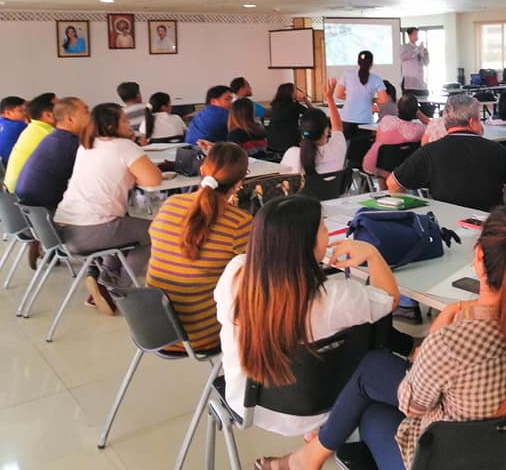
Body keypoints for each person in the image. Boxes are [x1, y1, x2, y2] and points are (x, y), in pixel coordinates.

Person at [260, 205, 506, 470]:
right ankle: (308, 456)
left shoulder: (452, 342)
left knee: (370, 409)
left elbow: (413, 406)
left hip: (443, 458)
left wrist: (435, 336)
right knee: (374, 370)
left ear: (479, 256)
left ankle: (307, 458)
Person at [214, 195, 399, 437]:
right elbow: (389, 299)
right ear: (305, 244)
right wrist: (372, 254)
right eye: (323, 227)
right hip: (323, 408)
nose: (328, 232)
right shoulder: (334, 297)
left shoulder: (236, 271)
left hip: (249, 402)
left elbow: (223, 318)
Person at [54, 104, 163, 314]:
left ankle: (105, 277)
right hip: (94, 230)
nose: (128, 123)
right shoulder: (123, 146)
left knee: (125, 225)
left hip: (65, 229)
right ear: (112, 125)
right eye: (124, 120)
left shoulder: (87, 145)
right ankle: (112, 288)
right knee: (157, 233)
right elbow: (154, 179)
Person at [148, 143, 252, 351]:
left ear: (203, 169)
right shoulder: (239, 223)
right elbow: (261, 272)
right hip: (200, 333)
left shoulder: (171, 203)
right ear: (239, 183)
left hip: (153, 327)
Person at [387, 95, 506, 211]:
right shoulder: (497, 150)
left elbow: (393, 183)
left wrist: (410, 213)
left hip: (446, 226)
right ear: (472, 122)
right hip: (488, 226)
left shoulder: (429, 152)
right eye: (479, 120)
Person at [15, 97, 90, 211]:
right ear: (70, 119)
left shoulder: (54, 137)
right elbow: (92, 176)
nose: (91, 117)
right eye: (86, 112)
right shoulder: (70, 143)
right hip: (49, 208)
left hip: (33, 210)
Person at [281, 79, 347, 177]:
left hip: (304, 192)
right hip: (334, 192)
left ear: (301, 130)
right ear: (327, 131)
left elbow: (283, 181)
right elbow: (337, 126)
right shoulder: (338, 147)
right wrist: (329, 98)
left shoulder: (293, 154)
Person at [3, 92, 56, 193]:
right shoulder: (49, 134)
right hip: (23, 194)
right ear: (48, 114)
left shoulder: (32, 128)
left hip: (10, 191)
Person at [363, 93, 426, 179]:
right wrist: (420, 115)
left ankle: (384, 191)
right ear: (416, 111)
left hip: (375, 165)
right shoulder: (419, 129)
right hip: (402, 170)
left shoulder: (386, 120)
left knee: (383, 165)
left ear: (398, 107)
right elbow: (433, 125)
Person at [336, 50, 388, 140]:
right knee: (362, 150)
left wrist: (353, 97)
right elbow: (384, 99)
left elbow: (338, 94)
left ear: (358, 62)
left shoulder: (347, 75)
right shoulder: (376, 79)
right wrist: (370, 99)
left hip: (346, 118)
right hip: (365, 121)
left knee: (346, 149)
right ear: (371, 64)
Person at [266, 83, 308, 153]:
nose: (297, 92)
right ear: (290, 93)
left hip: (271, 143)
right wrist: (305, 99)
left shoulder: (274, 105)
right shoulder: (294, 106)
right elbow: (314, 114)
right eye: (295, 90)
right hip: (289, 144)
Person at [400, 26, 429, 96]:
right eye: (415, 34)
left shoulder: (420, 48)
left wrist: (425, 54)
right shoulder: (405, 47)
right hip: (410, 83)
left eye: (417, 34)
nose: (417, 36)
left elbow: (426, 63)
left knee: (425, 103)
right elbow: (403, 57)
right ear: (409, 35)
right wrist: (417, 50)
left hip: (420, 82)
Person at [0, 95, 28, 165]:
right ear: (8, 113)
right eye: (21, 111)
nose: (26, 113)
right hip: (12, 165)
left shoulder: (2, 122)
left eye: (26, 110)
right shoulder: (19, 125)